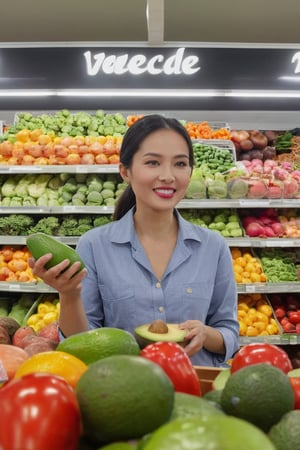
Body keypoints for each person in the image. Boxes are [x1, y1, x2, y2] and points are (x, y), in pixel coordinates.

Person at [30, 114, 239, 367]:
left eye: (180, 164)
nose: (168, 176)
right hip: (124, 391)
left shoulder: (213, 246)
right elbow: (82, 344)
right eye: (152, 163)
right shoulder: (94, 246)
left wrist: (208, 335)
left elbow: (228, 331)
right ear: (125, 171)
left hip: (196, 388)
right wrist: (69, 294)